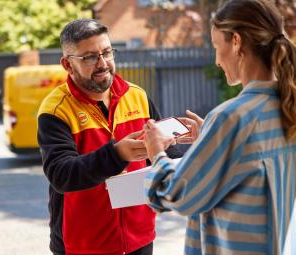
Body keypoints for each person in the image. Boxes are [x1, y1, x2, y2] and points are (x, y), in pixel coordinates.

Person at [143, 0, 296, 254]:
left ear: (236, 41)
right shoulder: (285, 108)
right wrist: (209, 139)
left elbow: (179, 195)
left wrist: (156, 152)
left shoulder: (232, 118)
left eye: (216, 46)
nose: (216, 60)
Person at [37, 19, 182, 255]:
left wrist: (179, 147)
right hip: (82, 244)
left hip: (140, 237)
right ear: (68, 64)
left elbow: (166, 152)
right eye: (90, 57)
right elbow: (61, 175)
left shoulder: (138, 96)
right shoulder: (55, 109)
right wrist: (117, 155)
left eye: (107, 53)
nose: (103, 63)